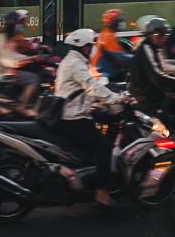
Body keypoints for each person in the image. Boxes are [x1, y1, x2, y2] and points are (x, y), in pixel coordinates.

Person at [53, 28, 125, 207]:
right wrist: (115, 98)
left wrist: (104, 101)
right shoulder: (75, 64)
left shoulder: (73, 60)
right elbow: (91, 86)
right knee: (104, 146)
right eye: (90, 45)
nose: (92, 48)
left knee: (106, 121)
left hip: (76, 111)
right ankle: (101, 192)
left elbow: (87, 89)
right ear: (84, 47)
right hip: (73, 118)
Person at [128, 17, 175, 128]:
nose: (163, 39)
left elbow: (162, 66)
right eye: (159, 35)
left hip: (152, 92)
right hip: (147, 97)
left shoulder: (152, 48)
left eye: (164, 35)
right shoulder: (146, 49)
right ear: (150, 35)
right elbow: (158, 76)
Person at [0, 11, 41, 116]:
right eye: (20, 22)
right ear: (14, 23)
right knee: (33, 79)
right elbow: (6, 59)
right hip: (0, 72)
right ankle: (22, 107)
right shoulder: (3, 38)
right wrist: (22, 62)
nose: (23, 24)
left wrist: (30, 58)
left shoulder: (9, 37)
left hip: (4, 69)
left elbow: (12, 54)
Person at [90, 9, 132, 78]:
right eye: (120, 21)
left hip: (102, 71)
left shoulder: (107, 33)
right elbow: (120, 57)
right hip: (104, 74)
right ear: (114, 23)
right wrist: (138, 58)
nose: (122, 23)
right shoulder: (108, 36)